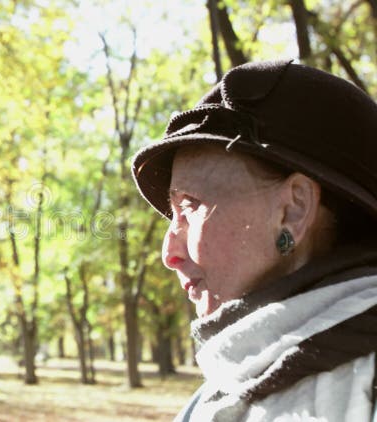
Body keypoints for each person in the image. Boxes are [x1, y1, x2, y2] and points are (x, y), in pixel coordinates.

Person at [131, 59, 377, 421]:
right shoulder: (213, 394)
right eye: (172, 214)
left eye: (191, 206)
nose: (169, 253)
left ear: (292, 210)